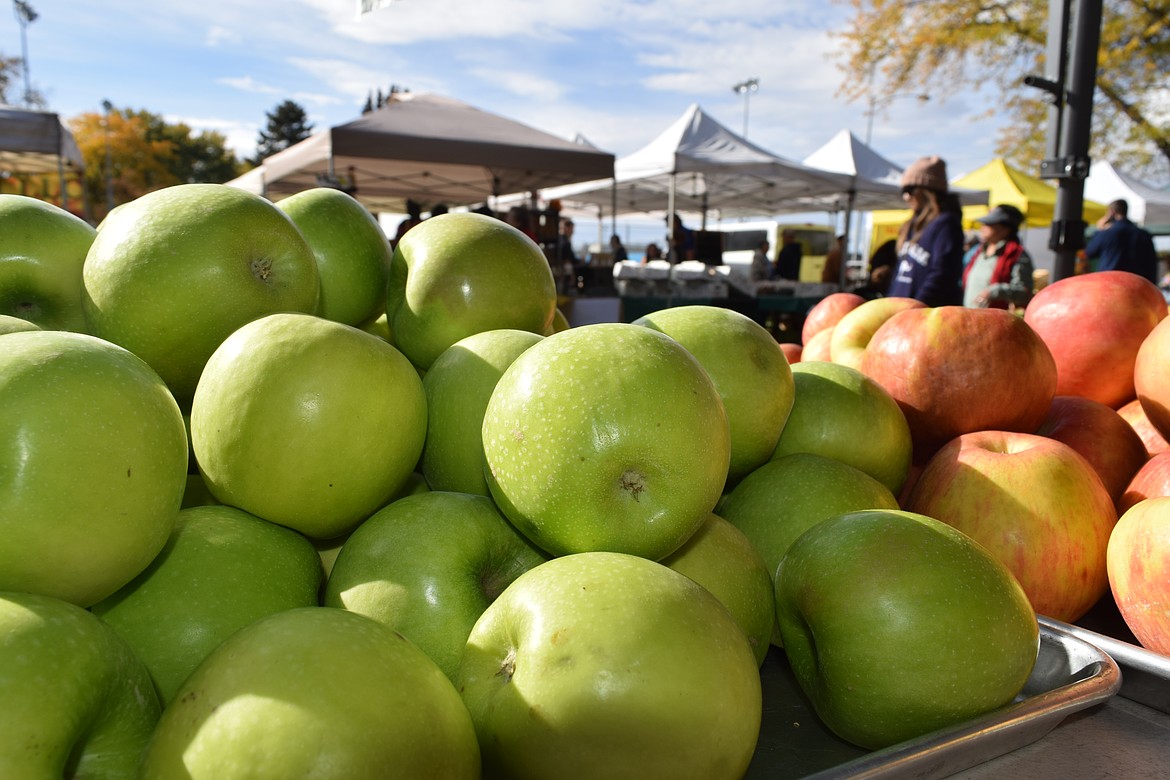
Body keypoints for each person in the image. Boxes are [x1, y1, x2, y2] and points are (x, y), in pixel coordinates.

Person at [887, 155, 965, 306]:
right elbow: (899, 273)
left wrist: (918, 307)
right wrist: (889, 301)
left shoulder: (946, 224)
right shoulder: (912, 225)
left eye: (910, 190)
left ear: (928, 191)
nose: (906, 197)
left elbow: (942, 274)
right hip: (900, 308)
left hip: (924, 315)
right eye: (903, 191)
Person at [961, 204, 1034, 309]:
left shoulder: (1016, 254)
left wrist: (995, 291)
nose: (983, 227)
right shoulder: (979, 251)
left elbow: (1024, 292)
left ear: (1005, 229)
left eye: (989, 223)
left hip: (994, 320)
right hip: (968, 314)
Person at [1084, 199, 1158, 283]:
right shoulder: (1144, 234)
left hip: (1109, 282)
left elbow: (1089, 252)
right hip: (1137, 283)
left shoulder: (1106, 233)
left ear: (1112, 212)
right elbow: (1151, 265)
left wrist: (1099, 230)